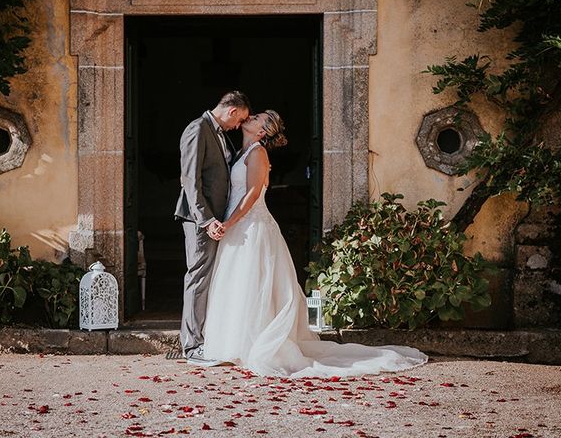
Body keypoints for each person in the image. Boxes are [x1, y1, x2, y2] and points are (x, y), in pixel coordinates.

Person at [203, 110, 428, 377]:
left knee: (254, 284)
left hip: (251, 227)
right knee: (239, 283)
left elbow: (252, 194)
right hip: (239, 227)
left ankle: (255, 344)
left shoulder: (258, 153)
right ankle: (236, 343)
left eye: (256, 119)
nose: (250, 118)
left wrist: (228, 223)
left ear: (262, 132)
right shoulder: (243, 152)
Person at [174, 91, 251, 366]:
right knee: (198, 278)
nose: (239, 126)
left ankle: (204, 338)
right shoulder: (198, 129)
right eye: (240, 120)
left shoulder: (218, 132)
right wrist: (205, 220)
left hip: (215, 220)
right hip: (200, 221)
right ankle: (192, 346)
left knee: (208, 278)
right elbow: (190, 180)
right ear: (232, 112)